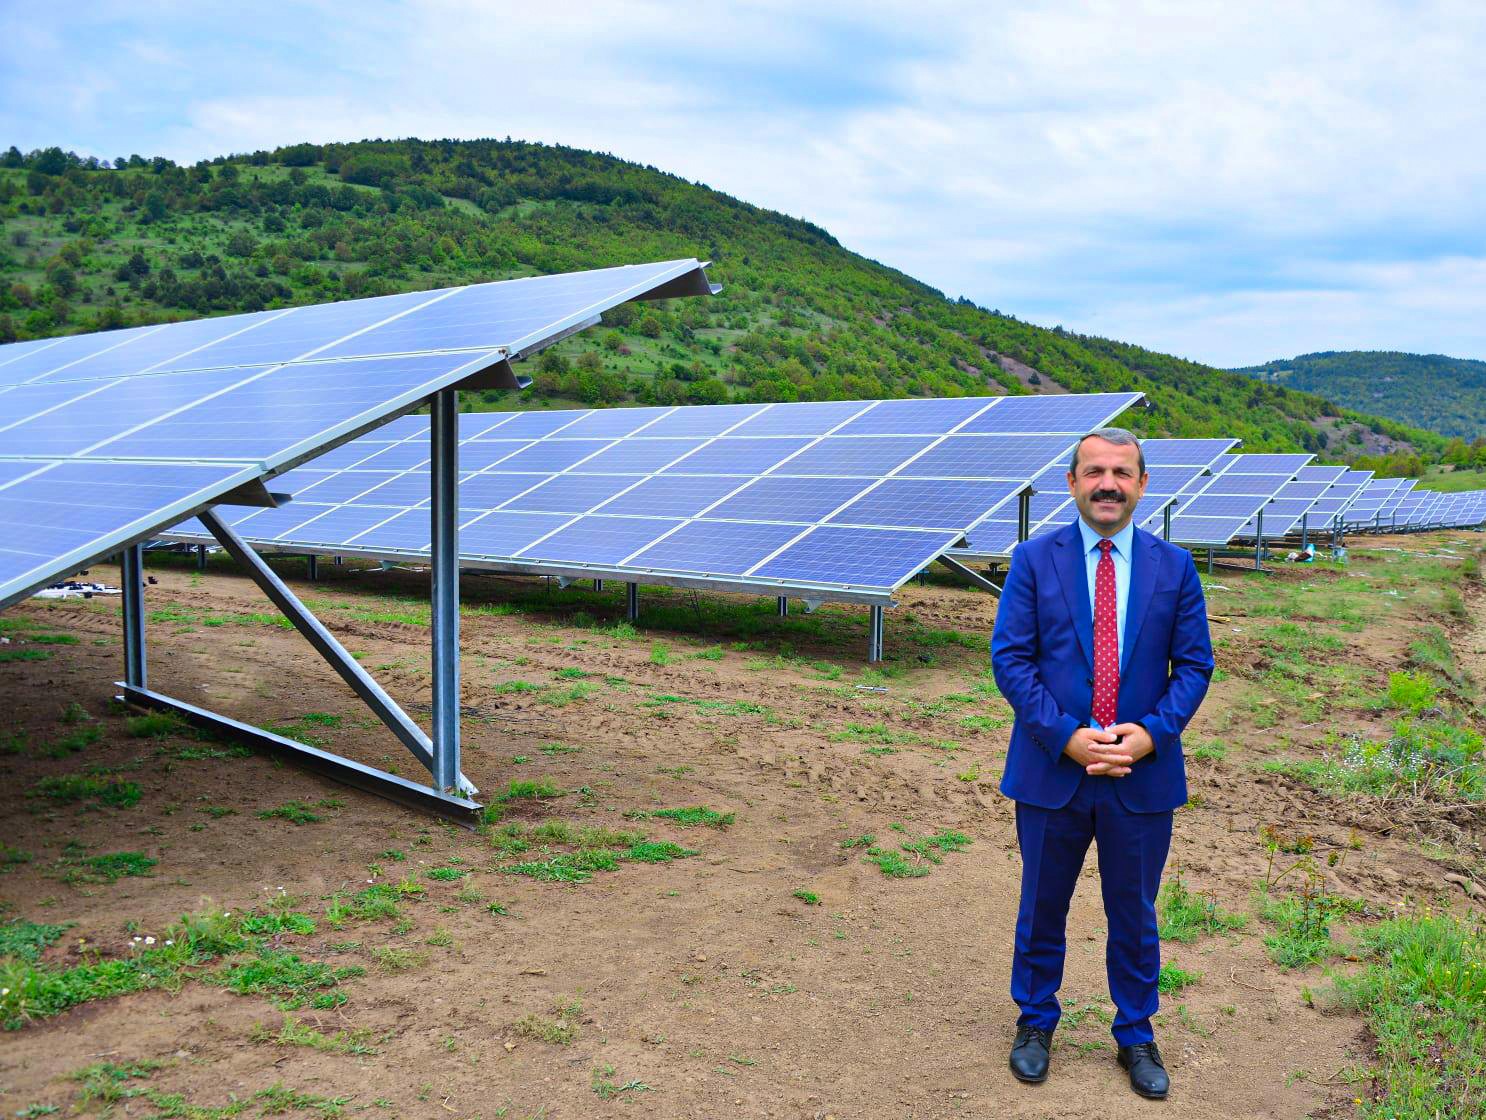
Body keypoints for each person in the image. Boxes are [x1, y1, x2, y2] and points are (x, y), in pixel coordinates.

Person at [990, 427, 1214, 1100]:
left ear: (1142, 485)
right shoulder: (1034, 560)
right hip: (1052, 770)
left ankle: (1136, 1033)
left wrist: (1149, 734)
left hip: (1141, 774)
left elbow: (1195, 665)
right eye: (1094, 471)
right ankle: (1035, 1022)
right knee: (1042, 906)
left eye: (1121, 471)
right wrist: (1065, 736)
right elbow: (1012, 659)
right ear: (1073, 483)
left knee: (1134, 912)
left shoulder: (1174, 567)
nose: (1107, 483)